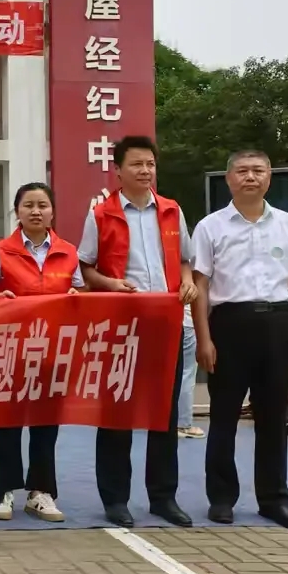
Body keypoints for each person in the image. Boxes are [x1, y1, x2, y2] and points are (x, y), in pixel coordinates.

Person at [192, 149, 288, 532]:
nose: (251, 177)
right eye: (243, 171)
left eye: (258, 171)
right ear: (229, 178)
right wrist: (204, 338)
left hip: (276, 326)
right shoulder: (210, 227)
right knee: (223, 417)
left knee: (272, 418)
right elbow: (200, 286)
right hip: (229, 325)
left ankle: (274, 500)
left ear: (270, 177)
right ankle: (221, 498)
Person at [78, 135, 197, 529]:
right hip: (121, 327)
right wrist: (111, 285)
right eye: (137, 165)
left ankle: (163, 497)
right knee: (117, 414)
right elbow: (86, 268)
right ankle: (115, 499)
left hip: (166, 324)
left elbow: (185, 261)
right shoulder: (101, 214)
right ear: (118, 170)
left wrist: (185, 283)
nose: (146, 171)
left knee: (164, 416)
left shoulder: (172, 211)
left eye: (150, 164)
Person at [0, 182, 84, 522]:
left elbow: (83, 296)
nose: (36, 211)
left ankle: (41, 493)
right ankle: (4, 492)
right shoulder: (1, 251)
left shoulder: (68, 252)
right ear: (17, 211)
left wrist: (77, 301)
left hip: (54, 350)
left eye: (43, 205)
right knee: (8, 423)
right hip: (12, 349)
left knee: (46, 424)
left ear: (52, 211)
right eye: (28, 205)